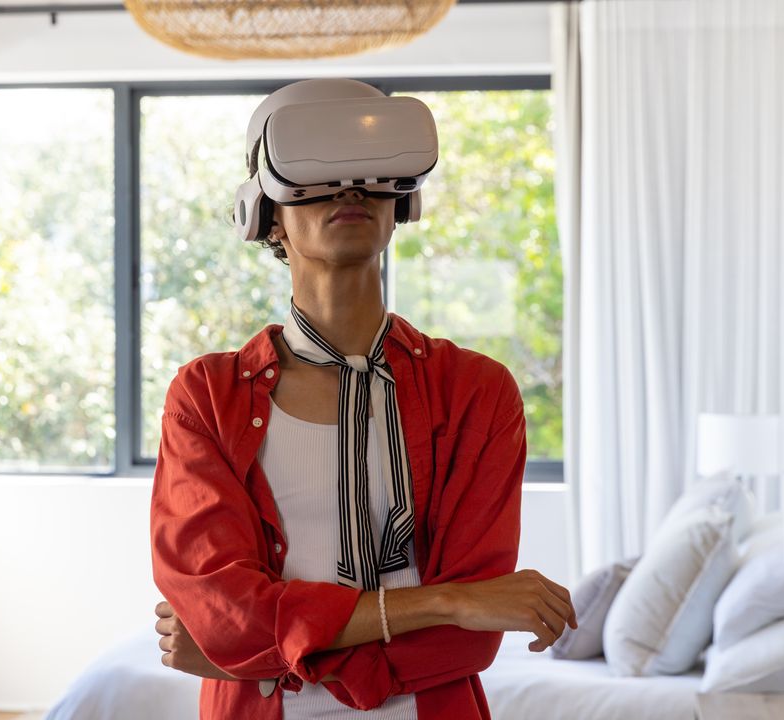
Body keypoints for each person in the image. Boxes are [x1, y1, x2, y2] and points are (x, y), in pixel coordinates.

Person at [150, 78, 577, 720]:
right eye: (318, 174)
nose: (349, 190)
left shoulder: (477, 394)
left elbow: (471, 640)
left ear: (403, 202)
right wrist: (447, 601)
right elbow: (226, 616)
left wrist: (267, 650)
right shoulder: (207, 398)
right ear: (264, 213)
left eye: (372, 174)